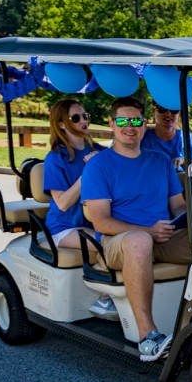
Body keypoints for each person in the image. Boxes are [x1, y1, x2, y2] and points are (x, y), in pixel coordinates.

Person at [82, 96, 191, 361]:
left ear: (144, 124)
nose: (130, 126)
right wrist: (148, 231)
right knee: (140, 240)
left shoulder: (160, 160)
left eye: (136, 121)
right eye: (123, 120)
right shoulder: (99, 165)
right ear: (111, 124)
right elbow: (100, 221)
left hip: (162, 237)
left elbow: (178, 206)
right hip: (117, 243)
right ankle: (147, 337)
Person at [41, 99, 116, 320]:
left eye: (85, 116)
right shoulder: (55, 159)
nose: (83, 121)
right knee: (108, 243)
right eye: (76, 118)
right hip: (64, 227)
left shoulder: (97, 150)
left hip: (92, 221)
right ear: (62, 124)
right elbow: (62, 203)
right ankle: (105, 297)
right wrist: (89, 172)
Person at [141, 105, 192, 170]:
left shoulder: (191, 140)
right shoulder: (141, 140)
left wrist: (184, 161)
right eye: (162, 108)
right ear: (153, 111)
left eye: (174, 109)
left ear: (179, 113)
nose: (168, 114)